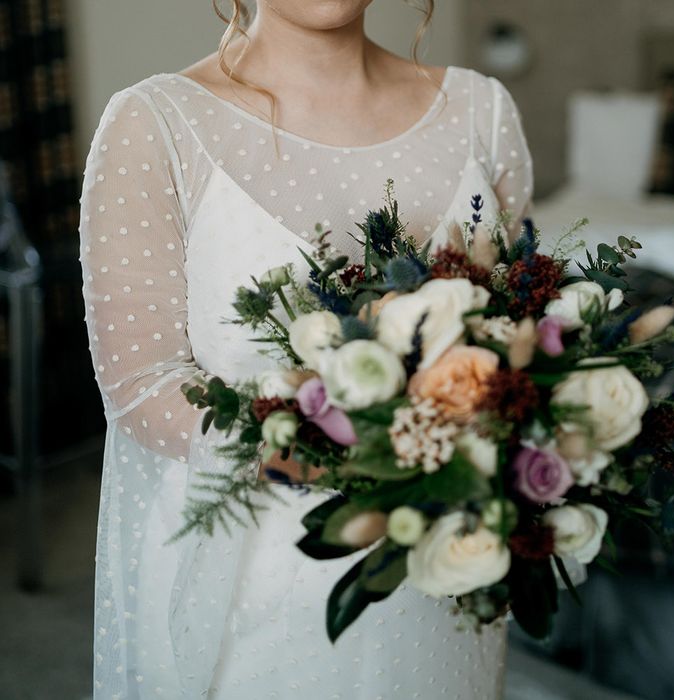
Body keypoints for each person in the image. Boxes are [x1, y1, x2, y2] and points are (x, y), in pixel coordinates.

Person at [78, 1, 533, 697]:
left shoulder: (482, 110)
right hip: (256, 597)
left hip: (442, 574)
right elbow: (140, 384)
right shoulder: (156, 123)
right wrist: (331, 446)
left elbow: (524, 330)